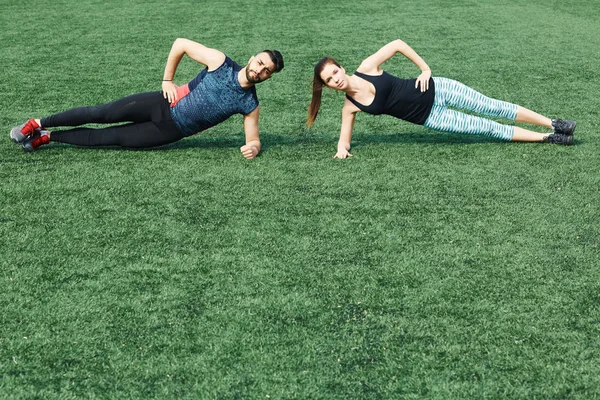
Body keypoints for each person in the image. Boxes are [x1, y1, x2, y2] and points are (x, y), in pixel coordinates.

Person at [10, 38, 284, 159]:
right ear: (252, 57)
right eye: (260, 62)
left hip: (169, 130)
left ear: (268, 77)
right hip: (162, 103)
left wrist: (255, 148)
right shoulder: (221, 62)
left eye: (266, 71)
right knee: (102, 113)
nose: (259, 70)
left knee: (110, 139)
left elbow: (253, 138)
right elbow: (181, 44)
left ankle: (46, 137)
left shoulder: (250, 104)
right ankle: (36, 122)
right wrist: (167, 80)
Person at [306, 39, 576, 159]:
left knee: (494, 107)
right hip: (433, 118)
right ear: (329, 87)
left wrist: (424, 69)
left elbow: (398, 44)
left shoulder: (366, 67)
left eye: (334, 72)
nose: (335, 79)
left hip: (438, 89)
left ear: (341, 67)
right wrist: (342, 149)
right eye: (329, 80)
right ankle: (548, 137)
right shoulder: (350, 107)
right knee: (488, 128)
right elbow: (344, 139)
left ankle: (554, 123)